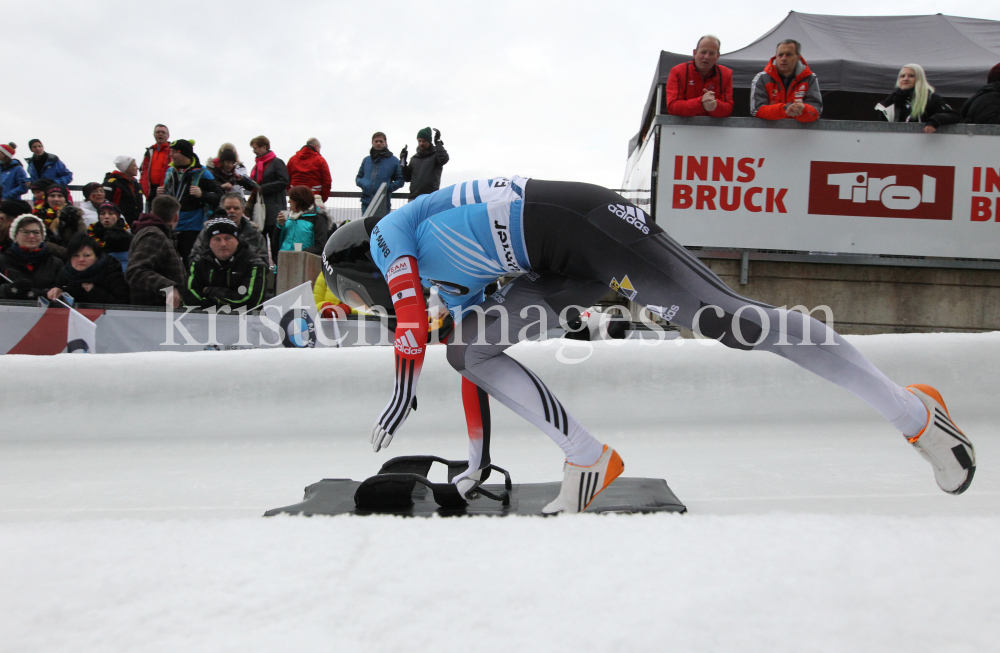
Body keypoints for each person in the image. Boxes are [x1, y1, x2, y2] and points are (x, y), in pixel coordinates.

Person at [322, 176, 976, 514]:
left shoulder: (389, 236)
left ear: (361, 267)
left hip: (583, 223)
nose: (361, 306)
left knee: (734, 323)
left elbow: (409, 324)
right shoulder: (440, 275)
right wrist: (471, 462)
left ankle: (915, 413)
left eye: (353, 296)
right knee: (468, 346)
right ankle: (587, 457)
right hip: (550, 261)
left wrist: (400, 390)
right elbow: (464, 364)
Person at [182, 216, 267, 310]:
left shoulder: (253, 263)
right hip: (205, 321)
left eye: (228, 238)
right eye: (217, 239)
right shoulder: (199, 262)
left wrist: (211, 291)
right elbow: (189, 297)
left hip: (244, 321)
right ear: (209, 242)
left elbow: (250, 301)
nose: (223, 244)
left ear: (237, 240)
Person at [161, 139, 223, 262]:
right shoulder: (170, 172)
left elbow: (219, 196)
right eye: (170, 152)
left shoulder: (203, 173)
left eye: (174, 152)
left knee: (190, 261)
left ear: (184, 153)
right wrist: (160, 195)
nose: (171, 155)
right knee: (170, 262)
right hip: (170, 225)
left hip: (192, 227)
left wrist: (202, 194)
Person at [125, 195, 186, 308]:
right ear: (176, 217)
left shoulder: (156, 233)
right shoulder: (154, 234)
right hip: (153, 311)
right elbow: (135, 271)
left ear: (152, 212)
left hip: (159, 311)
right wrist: (169, 287)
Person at [187, 192, 269, 266]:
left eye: (236, 208)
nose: (232, 211)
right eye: (228, 208)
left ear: (242, 210)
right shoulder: (208, 231)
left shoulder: (254, 234)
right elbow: (193, 260)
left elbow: (264, 264)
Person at [751, 39, 822, 122]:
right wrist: (785, 109)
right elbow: (756, 110)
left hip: (801, 133)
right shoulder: (762, 78)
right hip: (769, 133)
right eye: (780, 55)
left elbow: (816, 111)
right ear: (776, 56)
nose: (783, 58)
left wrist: (803, 110)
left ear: (798, 58)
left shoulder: (810, 78)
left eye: (788, 54)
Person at [47, 234, 130, 305]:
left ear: (97, 257)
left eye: (86, 255)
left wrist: (94, 291)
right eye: (76, 255)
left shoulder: (111, 272)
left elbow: (123, 303)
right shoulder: (65, 273)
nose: (81, 259)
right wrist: (55, 292)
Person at [875, 64, 959, 133]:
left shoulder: (930, 98)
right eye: (902, 76)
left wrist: (935, 121)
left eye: (911, 76)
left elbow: (953, 115)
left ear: (919, 78)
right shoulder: (891, 100)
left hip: (924, 146)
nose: (905, 79)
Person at [665, 35, 734, 117]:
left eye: (711, 53)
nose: (707, 56)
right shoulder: (678, 72)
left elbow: (728, 108)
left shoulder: (726, 74)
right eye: (703, 52)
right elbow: (672, 107)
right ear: (694, 53)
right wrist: (701, 103)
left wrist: (714, 105)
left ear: (717, 56)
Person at [0, 214, 62, 300]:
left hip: (46, 312)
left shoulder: (55, 263)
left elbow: (64, 291)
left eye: (36, 232)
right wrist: (6, 290)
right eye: (25, 232)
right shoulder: (2, 260)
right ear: (16, 235)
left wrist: (53, 293)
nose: (31, 236)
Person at [248, 135, 289, 262]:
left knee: (275, 242)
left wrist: (264, 188)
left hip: (274, 210)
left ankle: (276, 268)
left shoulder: (277, 162)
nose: (254, 151)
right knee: (260, 243)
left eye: (256, 148)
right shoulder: (256, 166)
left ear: (264, 147)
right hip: (261, 211)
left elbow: (284, 181)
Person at [356, 132, 404, 213]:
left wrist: (387, 188)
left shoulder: (394, 161)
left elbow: (400, 180)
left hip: (383, 203)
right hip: (366, 202)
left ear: (385, 143)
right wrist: (364, 184)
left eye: (381, 141)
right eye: (376, 141)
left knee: (381, 225)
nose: (378, 143)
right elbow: (358, 177)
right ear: (372, 143)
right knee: (365, 225)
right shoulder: (366, 160)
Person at [276, 186, 330, 256]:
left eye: (291, 199)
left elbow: (320, 246)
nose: (289, 201)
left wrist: (302, 252)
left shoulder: (317, 218)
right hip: (284, 259)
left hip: (305, 261)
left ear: (299, 201)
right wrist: (279, 226)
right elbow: (276, 244)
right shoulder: (288, 218)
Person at [401, 127, 449, 200]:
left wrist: (438, 142)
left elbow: (444, 159)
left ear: (429, 141)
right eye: (419, 141)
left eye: (424, 141)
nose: (421, 143)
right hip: (414, 198)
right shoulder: (414, 158)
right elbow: (407, 178)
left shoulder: (436, 156)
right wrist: (403, 162)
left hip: (430, 197)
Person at [88, 202, 133, 270]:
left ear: (117, 217)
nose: (106, 217)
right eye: (102, 214)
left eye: (111, 213)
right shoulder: (91, 233)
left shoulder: (127, 236)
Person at [287, 138, 332, 203]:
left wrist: (291, 193)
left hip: (296, 197)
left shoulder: (292, 159)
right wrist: (322, 199)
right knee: (311, 213)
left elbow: (287, 178)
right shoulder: (320, 160)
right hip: (313, 196)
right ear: (316, 146)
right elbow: (327, 181)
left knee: (296, 213)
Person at [102, 156, 144, 225]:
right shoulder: (112, 183)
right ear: (126, 168)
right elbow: (105, 203)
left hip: (136, 223)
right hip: (119, 223)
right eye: (134, 165)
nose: (137, 168)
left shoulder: (136, 185)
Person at [140, 124, 171, 210]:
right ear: (154, 135)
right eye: (158, 132)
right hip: (150, 191)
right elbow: (143, 170)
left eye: (163, 132)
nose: (160, 134)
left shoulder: (172, 151)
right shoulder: (149, 152)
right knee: (149, 217)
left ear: (168, 136)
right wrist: (142, 186)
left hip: (166, 190)